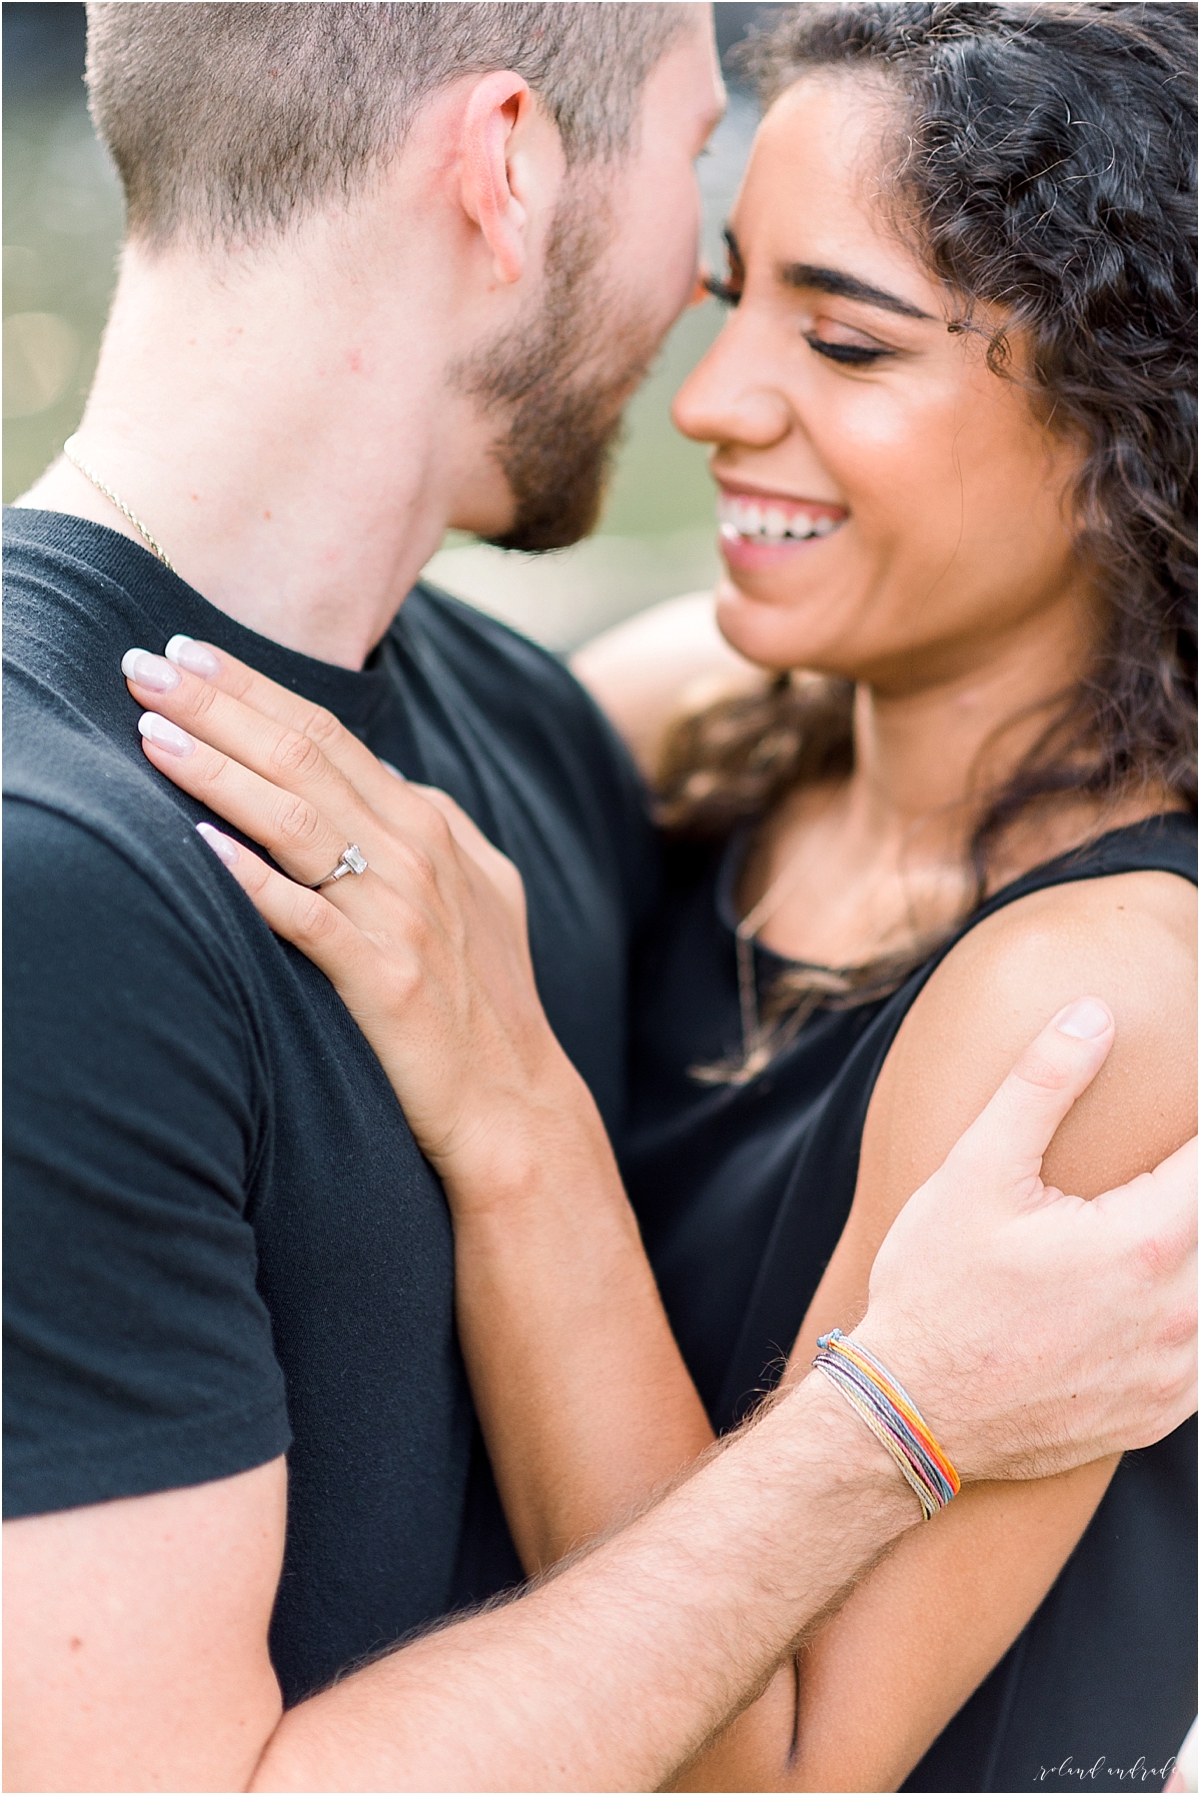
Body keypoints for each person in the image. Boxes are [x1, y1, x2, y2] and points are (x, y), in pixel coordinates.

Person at [2, 1, 1194, 1790]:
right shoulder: (666, 738)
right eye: (728, 288)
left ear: (1136, 426)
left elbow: (775, 1773)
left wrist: (519, 1115)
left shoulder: (1097, 1000)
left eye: (849, 341)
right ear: (507, 169)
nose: (710, 400)